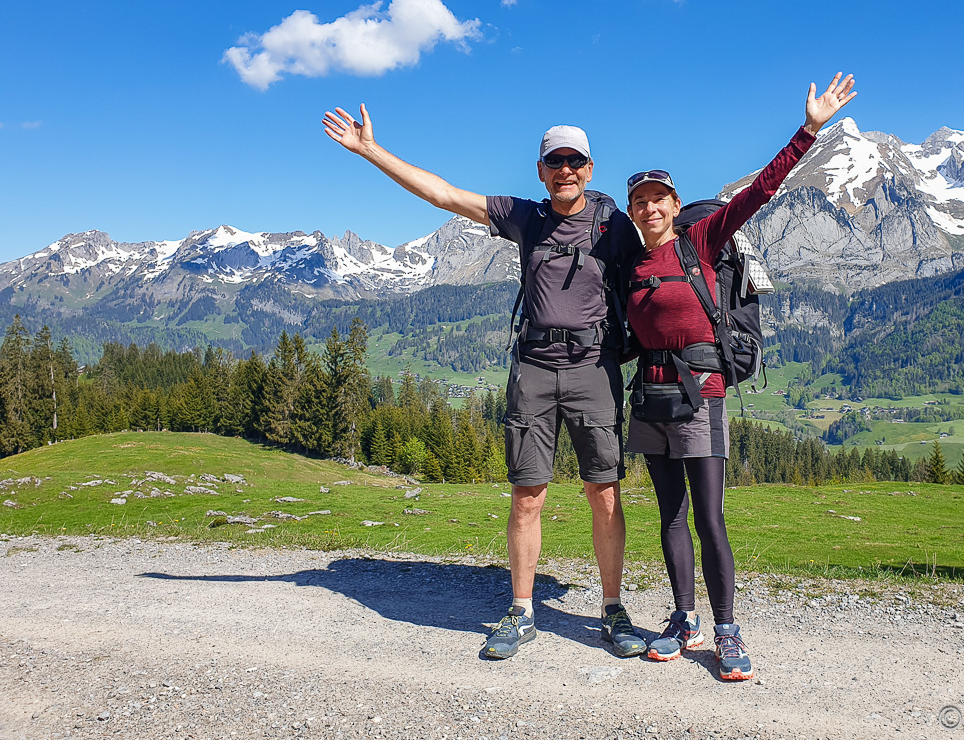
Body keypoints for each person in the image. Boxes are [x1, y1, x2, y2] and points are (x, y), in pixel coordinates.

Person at [323, 106, 646, 660]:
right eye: (555, 161)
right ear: (541, 170)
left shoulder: (615, 226)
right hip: (535, 367)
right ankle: (522, 611)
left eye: (575, 160)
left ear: (590, 169)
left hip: (596, 366)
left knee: (605, 493)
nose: (565, 169)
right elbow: (444, 195)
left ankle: (613, 609)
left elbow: (658, 269)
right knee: (527, 497)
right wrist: (369, 150)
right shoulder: (526, 216)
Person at [623, 72, 857, 680]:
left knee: (708, 516)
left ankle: (726, 629)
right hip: (648, 398)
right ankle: (682, 619)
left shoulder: (701, 239)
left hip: (701, 394)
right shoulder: (628, 263)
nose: (650, 207)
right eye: (639, 200)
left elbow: (759, 193)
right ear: (631, 211)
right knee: (669, 514)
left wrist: (808, 130)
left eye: (659, 198)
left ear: (675, 206)